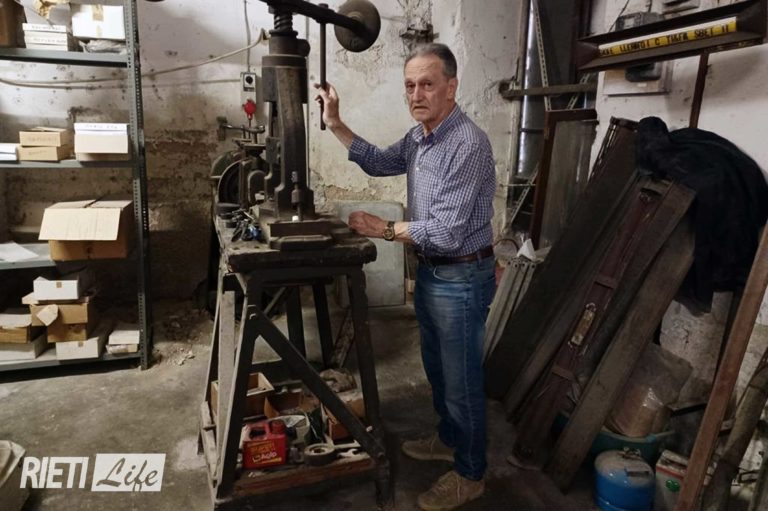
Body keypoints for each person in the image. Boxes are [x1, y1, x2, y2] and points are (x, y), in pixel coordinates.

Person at [315, 43, 496, 511]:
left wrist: (385, 229)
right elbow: (378, 161)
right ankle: (449, 439)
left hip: (462, 276)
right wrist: (335, 122)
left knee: (461, 383)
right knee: (438, 370)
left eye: (427, 84)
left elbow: (450, 231)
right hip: (433, 273)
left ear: (451, 88)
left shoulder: (467, 144)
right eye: (410, 85)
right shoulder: (420, 137)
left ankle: (471, 474)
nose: (416, 94)